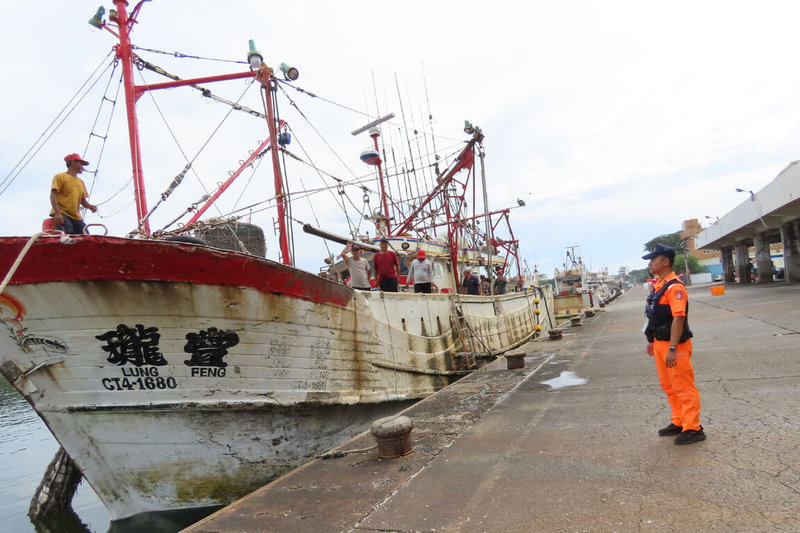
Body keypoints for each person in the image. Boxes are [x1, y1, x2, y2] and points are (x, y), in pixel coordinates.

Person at [643, 243, 705, 445]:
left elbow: (678, 318)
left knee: (683, 386)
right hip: (660, 343)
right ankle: (679, 421)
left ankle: (693, 428)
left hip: (674, 346)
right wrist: (651, 340)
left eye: (654, 259)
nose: (650, 263)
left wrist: (671, 347)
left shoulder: (674, 287)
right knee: (669, 386)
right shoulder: (658, 286)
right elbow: (654, 317)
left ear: (666, 261)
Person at [50, 153, 97, 234]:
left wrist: (90, 207)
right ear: (73, 162)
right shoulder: (60, 176)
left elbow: (83, 201)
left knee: (85, 235)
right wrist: (57, 214)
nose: (83, 167)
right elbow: (53, 195)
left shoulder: (81, 182)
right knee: (68, 232)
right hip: (63, 213)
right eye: (81, 164)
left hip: (76, 216)